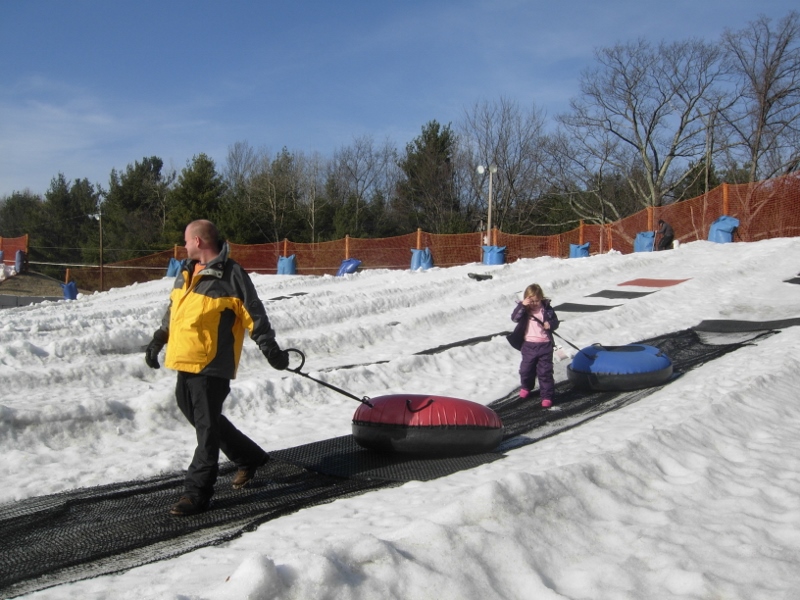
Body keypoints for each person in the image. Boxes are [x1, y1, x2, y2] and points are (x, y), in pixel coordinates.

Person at [144, 219, 290, 517]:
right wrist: (159, 339)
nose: (183, 246)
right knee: (202, 420)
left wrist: (270, 349)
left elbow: (254, 313)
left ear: (198, 241)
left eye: (186, 240)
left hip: (212, 365)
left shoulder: (231, 274)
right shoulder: (186, 272)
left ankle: (196, 493)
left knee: (207, 431)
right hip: (184, 360)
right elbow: (173, 310)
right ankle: (248, 457)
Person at [507, 284, 560, 408]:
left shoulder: (547, 309)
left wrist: (550, 324)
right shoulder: (525, 310)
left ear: (541, 298)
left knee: (545, 372)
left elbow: (555, 322)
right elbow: (514, 318)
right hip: (528, 345)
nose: (535, 304)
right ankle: (526, 386)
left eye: (537, 300)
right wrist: (522, 305)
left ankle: (547, 396)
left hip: (545, 345)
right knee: (526, 370)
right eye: (532, 301)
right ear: (526, 299)